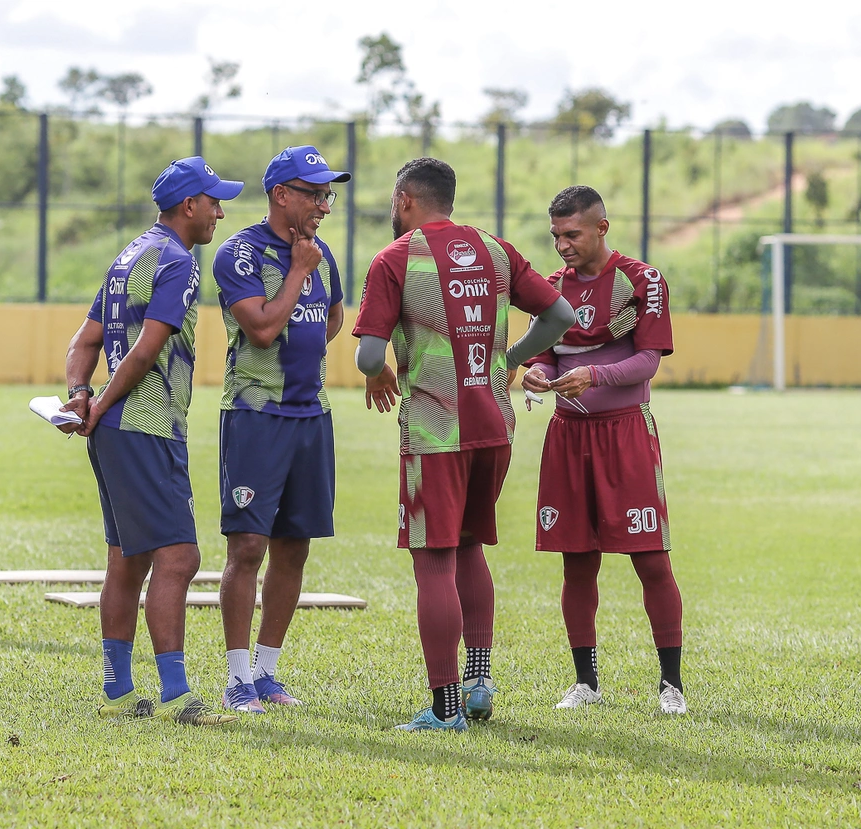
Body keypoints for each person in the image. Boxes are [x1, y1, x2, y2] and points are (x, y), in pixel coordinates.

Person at [353, 158, 575, 731]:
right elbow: (560, 315)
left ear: (404, 200)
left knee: (433, 560)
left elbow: (369, 357)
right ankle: (478, 683)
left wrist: (379, 370)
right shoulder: (496, 251)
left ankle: (444, 707)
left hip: (434, 430)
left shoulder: (395, 258)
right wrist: (510, 360)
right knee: (472, 546)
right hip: (494, 427)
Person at [61, 157, 244, 726]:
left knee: (127, 559)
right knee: (179, 557)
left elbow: (83, 341)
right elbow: (146, 349)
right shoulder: (179, 261)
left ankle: (118, 690)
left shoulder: (129, 257)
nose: (219, 211)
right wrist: (102, 404)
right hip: (146, 426)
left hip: (117, 431)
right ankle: (178, 694)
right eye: (213, 200)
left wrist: (81, 394)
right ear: (188, 205)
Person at [521, 185, 687, 715]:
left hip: (626, 434)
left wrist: (594, 374)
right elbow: (544, 358)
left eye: (572, 234)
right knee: (577, 562)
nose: (563, 245)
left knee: (650, 560)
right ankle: (586, 681)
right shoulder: (550, 289)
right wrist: (538, 376)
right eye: (555, 236)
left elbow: (647, 362)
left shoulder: (643, 281)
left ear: (601, 228)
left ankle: (671, 684)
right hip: (568, 437)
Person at [212, 145, 350, 714]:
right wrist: (297, 272)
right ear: (281, 195)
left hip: (310, 419)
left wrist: (308, 277)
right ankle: (237, 677)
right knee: (248, 547)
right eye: (314, 193)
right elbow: (264, 330)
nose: (323, 204)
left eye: (327, 194)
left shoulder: (321, 256)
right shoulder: (239, 254)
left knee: (295, 548)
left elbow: (333, 317)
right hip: (256, 418)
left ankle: (268, 673)